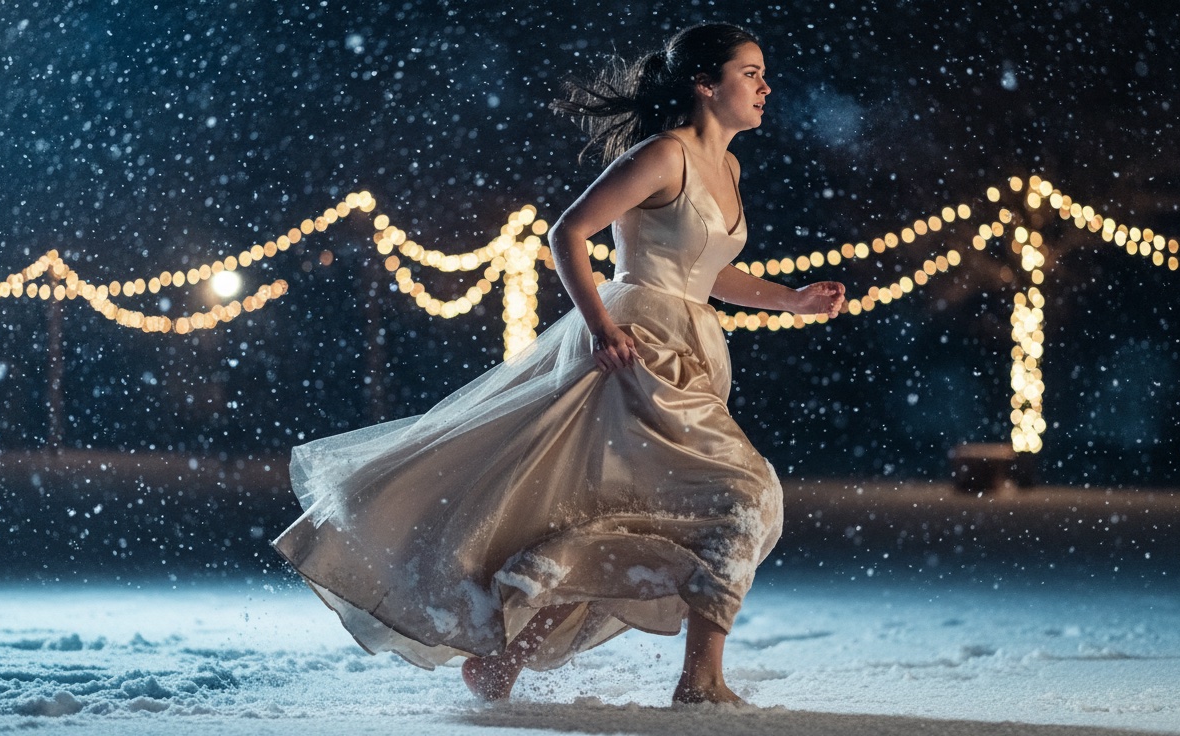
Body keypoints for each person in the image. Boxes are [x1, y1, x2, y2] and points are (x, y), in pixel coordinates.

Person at [272, 22, 845, 708]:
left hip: (690, 348)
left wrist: (791, 299)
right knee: (746, 493)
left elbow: (710, 271)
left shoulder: (729, 168)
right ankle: (700, 681)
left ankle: (503, 663)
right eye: (750, 73)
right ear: (704, 83)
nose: (765, 86)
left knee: (633, 509)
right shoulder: (663, 156)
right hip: (638, 344)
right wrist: (602, 328)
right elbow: (567, 230)